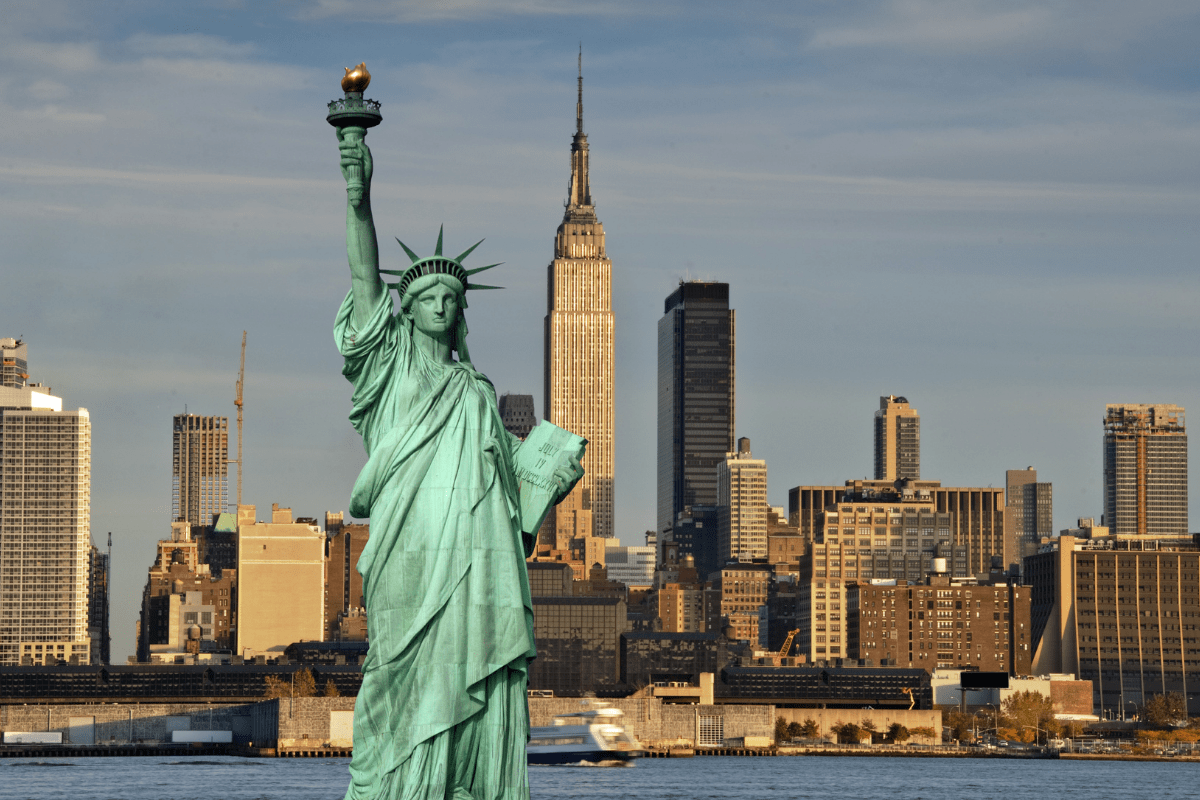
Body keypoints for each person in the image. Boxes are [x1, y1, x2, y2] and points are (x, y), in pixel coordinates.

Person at [334, 127, 582, 800]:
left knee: (472, 667)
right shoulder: (386, 374)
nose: (441, 305)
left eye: (451, 298)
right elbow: (363, 280)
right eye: (427, 298)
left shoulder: (475, 393)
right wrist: (359, 196)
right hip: (406, 551)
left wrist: (547, 481)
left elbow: (507, 501)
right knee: (392, 673)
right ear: (407, 312)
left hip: (475, 558)